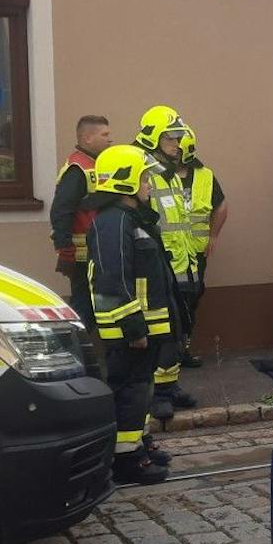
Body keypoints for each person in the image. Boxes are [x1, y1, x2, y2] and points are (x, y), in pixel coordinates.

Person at [85, 144, 172, 485]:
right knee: (130, 391)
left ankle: (139, 445)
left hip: (141, 326)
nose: (149, 184)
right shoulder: (113, 222)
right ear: (126, 182)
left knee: (141, 388)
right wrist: (134, 327)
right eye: (145, 178)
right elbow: (113, 279)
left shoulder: (128, 218)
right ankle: (126, 460)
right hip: (129, 329)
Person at [134, 105, 198, 420]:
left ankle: (169, 385)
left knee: (175, 327)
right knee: (159, 329)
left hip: (176, 263)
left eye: (177, 138)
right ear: (153, 138)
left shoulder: (166, 170)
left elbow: (178, 221)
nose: (177, 144)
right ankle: (156, 393)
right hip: (151, 265)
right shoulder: (140, 168)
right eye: (171, 138)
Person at [50, 115, 113, 337]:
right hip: (81, 256)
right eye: (104, 135)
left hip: (97, 251)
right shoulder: (77, 168)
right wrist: (65, 249)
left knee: (94, 305)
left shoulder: (97, 165)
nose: (110, 139)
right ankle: (75, 350)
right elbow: (61, 211)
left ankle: (80, 349)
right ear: (87, 138)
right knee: (84, 306)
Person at [178, 126, 228, 368]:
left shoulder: (204, 175)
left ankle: (183, 349)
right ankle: (167, 352)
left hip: (196, 252)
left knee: (192, 298)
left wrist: (214, 236)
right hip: (168, 251)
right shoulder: (156, 175)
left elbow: (221, 206)